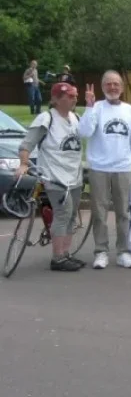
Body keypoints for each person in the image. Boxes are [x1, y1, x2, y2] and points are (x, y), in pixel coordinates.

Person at [78, 71, 131, 269]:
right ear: (103, 86)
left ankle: (124, 251)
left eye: (116, 84)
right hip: (99, 167)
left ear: (122, 88)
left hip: (123, 167)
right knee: (99, 212)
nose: (113, 88)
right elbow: (84, 132)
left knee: (123, 212)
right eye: (108, 84)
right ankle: (101, 251)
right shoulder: (96, 108)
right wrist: (89, 107)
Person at [16, 82, 85, 271]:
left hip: (75, 176)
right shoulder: (46, 119)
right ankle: (57, 258)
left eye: (74, 96)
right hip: (55, 177)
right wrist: (24, 164)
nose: (73, 99)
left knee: (71, 216)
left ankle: (65, 253)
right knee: (63, 214)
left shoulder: (76, 118)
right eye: (68, 96)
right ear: (55, 99)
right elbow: (26, 145)